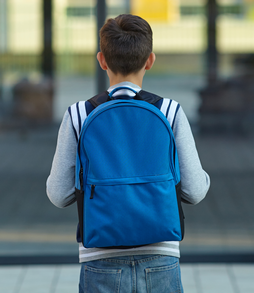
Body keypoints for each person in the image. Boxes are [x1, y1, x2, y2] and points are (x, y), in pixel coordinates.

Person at [46, 14, 211, 293]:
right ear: (150, 60)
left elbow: (59, 194)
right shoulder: (170, 112)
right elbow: (194, 191)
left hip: (99, 258)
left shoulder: (78, 115)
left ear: (101, 60)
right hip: (161, 256)